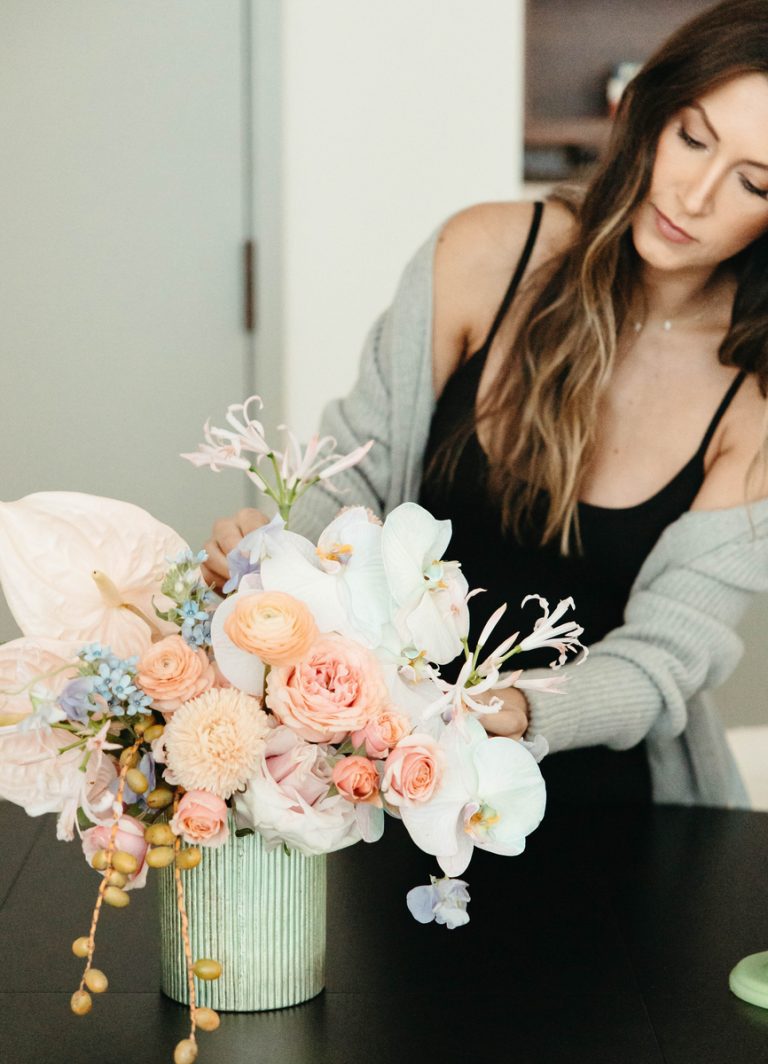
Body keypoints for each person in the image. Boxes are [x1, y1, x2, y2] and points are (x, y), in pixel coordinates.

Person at [202, 0, 768, 808]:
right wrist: (276, 557)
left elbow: (665, 657)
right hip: (381, 761)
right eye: (692, 137)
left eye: (753, 181)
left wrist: (517, 708)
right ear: (647, 113)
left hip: (613, 805)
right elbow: (351, 483)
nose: (698, 193)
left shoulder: (755, 397)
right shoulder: (486, 255)